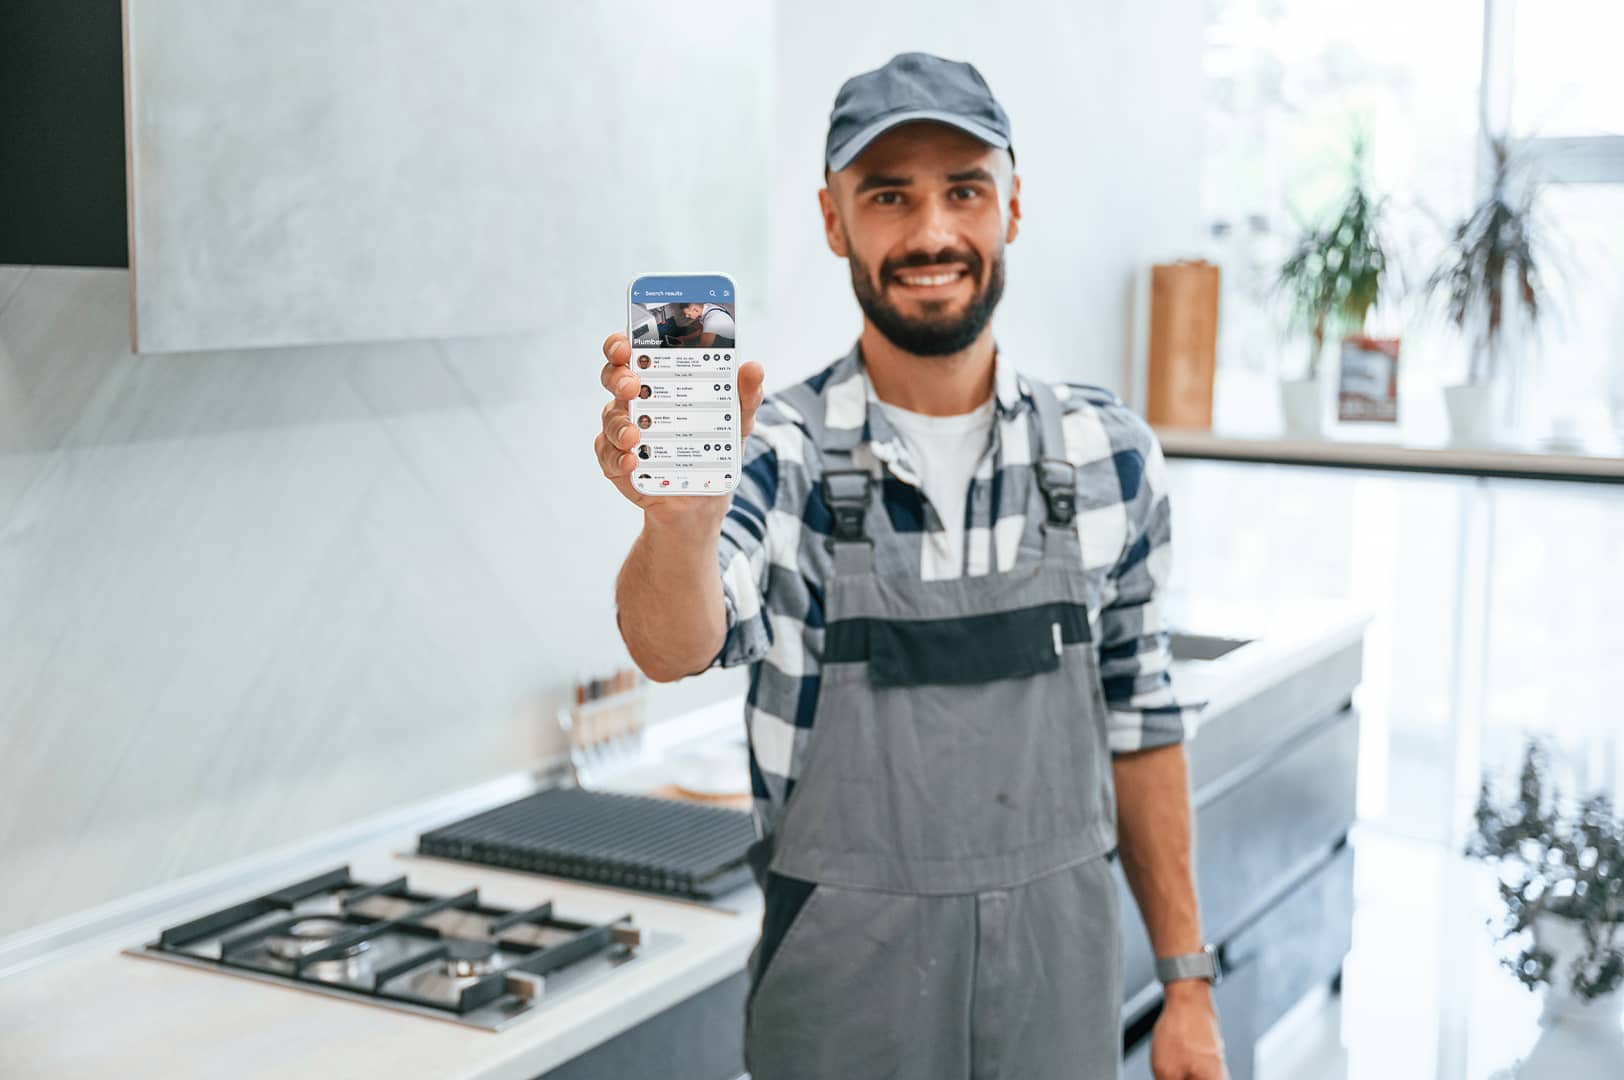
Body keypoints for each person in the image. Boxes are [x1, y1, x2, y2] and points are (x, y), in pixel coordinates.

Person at [594, 52, 1226, 1080]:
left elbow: (1143, 724)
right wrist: (678, 524)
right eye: (889, 196)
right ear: (834, 219)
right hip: (842, 1020)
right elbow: (673, 644)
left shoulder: (1107, 455)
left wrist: (1186, 983)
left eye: (963, 191)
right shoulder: (776, 452)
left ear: (1011, 207)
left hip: (1056, 1019)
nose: (931, 234)